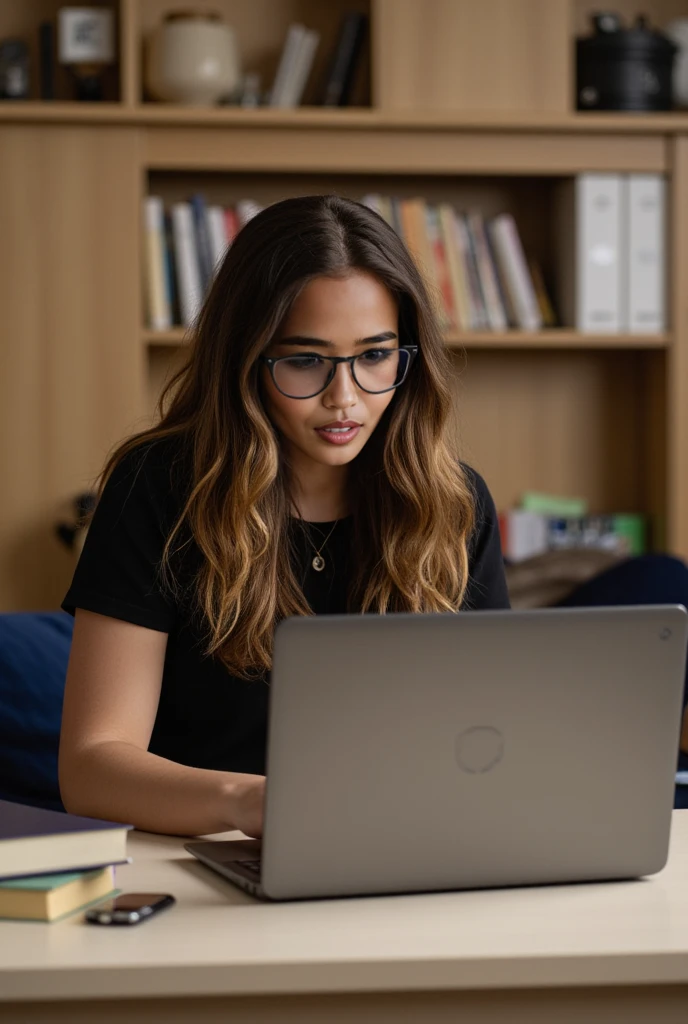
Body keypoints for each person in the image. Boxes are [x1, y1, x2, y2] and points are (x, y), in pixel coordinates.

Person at [58, 194, 510, 839]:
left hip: (407, 847)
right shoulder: (156, 489)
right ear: (244, 360)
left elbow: (491, 743)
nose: (345, 398)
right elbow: (91, 768)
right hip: (202, 859)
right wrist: (251, 803)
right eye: (305, 360)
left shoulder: (454, 504)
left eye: (376, 356)